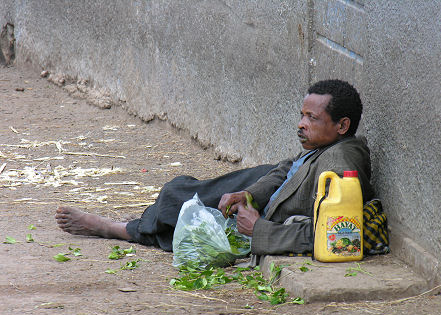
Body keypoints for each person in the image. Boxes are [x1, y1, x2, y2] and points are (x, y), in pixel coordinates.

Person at [56, 79, 374, 257]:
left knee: (181, 211)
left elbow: (337, 238)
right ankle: (134, 223)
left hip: (272, 213)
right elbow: (287, 170)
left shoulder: (340, 166)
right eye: (302, 115)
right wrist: (247, 193)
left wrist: (258, 229)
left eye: (312, 119)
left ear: (342, 125)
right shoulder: (325, 146)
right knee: (182, 193)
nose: (301, 125)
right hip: (269, 187)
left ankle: (116, 229)